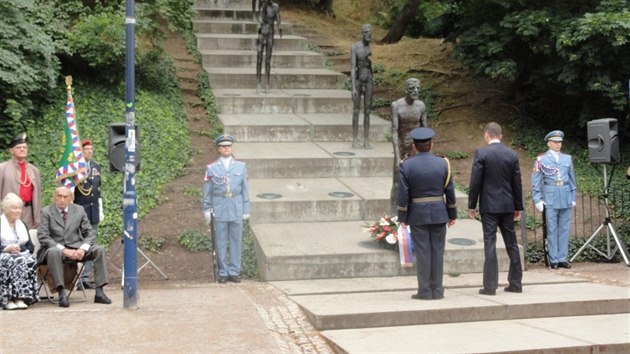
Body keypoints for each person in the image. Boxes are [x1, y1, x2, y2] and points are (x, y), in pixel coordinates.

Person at [398, 128, 457, 300]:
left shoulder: (406, 165)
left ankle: (424, 290)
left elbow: (403, 194)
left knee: (423, 252)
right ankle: (437, 290)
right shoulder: (443, 163)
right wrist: (452, 214)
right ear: (431, 145)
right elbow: (450, 191)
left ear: (414, 146)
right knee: (438, 251)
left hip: (418, 214)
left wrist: (403, 216)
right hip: (439, 212)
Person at [468, 122, 523, 295]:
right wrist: (518, 206)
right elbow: (517, 183)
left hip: (489, 206)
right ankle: (515, 283)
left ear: (486, 135)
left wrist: (472, 205)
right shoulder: (511, 154)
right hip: (507, 205)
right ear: (501, 136)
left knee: (490, 244)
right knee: (512, 243)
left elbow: (475, 180)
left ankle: (490, 286)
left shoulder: (482, 153)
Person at [37, 186, 111, 307]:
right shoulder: (46, 211)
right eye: (59, 196)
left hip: (77, 247)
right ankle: (61, 294)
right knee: (53, 252)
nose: (62, 199)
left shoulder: (79, 210)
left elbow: (90, 233)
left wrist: (83, 248)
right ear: (54, 197)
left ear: (71, 198)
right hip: (55, 249)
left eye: (65, 197)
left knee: (99, 250)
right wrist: (64, 250)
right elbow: (43, 237)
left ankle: (99, 293)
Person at [203, 135, 250, 284]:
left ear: (231, 148)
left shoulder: (241, 166)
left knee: (236, 241)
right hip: (220, 206)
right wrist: (206, 208)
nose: (226, 148)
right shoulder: (211, 168)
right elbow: (207, 190)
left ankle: (234, 272)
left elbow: (245, 189)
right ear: (218, 149)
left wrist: (245, 208)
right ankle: (222, 272)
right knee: (221, 241)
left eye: (228, 146)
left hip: (236, 205)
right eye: (223, 146)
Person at [531, 130, 577, 269]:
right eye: (555, 142)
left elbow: (571, 179)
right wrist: (537, 198)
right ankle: (554, 259)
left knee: (564, 228)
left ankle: (562, 258)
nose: (558, 145)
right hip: (550, 196)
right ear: (549, 143)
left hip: (565, 195)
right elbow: (536, 180)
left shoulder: (567, 158)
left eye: (560, 142)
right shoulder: (541, 159)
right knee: (551, 228)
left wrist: (573, 196)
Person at [390, 78, 428, 213]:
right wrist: (397, 156)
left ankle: (414, 215)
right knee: (397, 183)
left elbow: (425, 131)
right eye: (412, 88)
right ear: (406, 89)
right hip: (402, 146)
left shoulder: (421, 106)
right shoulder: (396, 105)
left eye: (418, 88)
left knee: (417, 183)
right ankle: (394, 216)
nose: (415, 91)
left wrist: (426, 154)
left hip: (417, 149)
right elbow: (394, 131)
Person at [73, 139, 104, 290]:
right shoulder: (75, 168)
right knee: (78, 244)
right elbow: (72, 192)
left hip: (93, 212)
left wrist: (101, 208)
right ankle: (77, 278)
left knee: (91, 245)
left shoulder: (96, 167)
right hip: (80, 212)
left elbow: (98, 191)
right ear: (81, 151)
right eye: (86, 149)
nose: (89, 152)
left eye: (91, 149)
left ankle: (85, 277)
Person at [0, 193, 39, 310]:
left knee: (29, 260)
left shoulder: (22, 225)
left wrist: (19, 248)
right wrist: (6, 249)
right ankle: (8, 299)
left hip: (19, 254)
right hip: (3, 254)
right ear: (6, 209)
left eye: (20, 208)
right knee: (9, 260)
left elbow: (30, 247)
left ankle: (21, 297)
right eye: (14, 208)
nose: (18, 211)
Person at [0, 133, 41, 229]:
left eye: (24, 147)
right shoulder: (2, 168)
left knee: (27, 240)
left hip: (28, 212)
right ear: (11, 150)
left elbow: (38, 197)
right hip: (8, 212)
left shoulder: (34, 170)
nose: (22, 149)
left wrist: (37, 217)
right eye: (18, 147)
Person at [351, 24, 373, 149]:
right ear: (362, 33)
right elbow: (353, 68)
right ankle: (354, 138)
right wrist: (353, 87)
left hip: (369, 80)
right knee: (356, 110)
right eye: (366, 32)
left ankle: (366, 139)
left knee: (368, 110)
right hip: (359, 80)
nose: (369, 34)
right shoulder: (355, 47)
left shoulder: (370, 48)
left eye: (370, 32)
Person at [256, 0, 282, 93]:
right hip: (262, 33)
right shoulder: (263, 5)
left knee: (268, 60)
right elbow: (260, 18)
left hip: (270, 34)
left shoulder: (275, 7)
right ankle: (258, 83)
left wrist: (280, 27)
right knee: (259, 59)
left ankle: (267, 84)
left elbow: (278, 19)